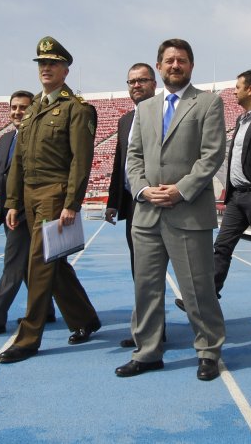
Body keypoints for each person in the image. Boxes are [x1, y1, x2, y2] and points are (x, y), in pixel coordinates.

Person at [115, 38, 227, 381]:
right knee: (146, 288)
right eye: (168, 60)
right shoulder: (145, 108)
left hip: (188, 212)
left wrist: (181, 190)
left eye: (181, 60)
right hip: (147, 214)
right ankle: (147, 351)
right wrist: (143, 189)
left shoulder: (208, 103)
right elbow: (132, 157)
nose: (175, 65)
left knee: (197, 288)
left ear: (191, 66)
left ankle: (208, 350)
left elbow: (212, 155)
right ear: (159, 66)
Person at [0, 36, 102, 364]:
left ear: (65, 70)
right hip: (28, 196)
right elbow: (19, 161)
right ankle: (85, 318)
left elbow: (80, 161)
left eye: (52, 63)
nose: (46, 68)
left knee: (40, 265)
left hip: (55, 194)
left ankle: (29, 337)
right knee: (54, 264)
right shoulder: (33, 111)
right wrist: (12, 202)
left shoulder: (77, 109)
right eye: (42, 63)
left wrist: (72, 202)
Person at [174, 69, 251, 326]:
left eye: (238, 86)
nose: (233, 91)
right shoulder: (241, 120)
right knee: (221, 247)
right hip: (237, 197)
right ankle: (207, 296)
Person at [0, 90, 56, 338]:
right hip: (9, 211)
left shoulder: (37, 137)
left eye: (23, 107)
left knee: (13, 265)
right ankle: (46, 309)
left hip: (29, 210)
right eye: (14, 107)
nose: (18, 112)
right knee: (31, 266)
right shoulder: (5, 139)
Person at [105, 63, 157, 348]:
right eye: (131, 81)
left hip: (160, 202)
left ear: (154, 83)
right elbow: (119, 164)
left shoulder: (165, 112)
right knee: (140, 270)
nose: (136, 85)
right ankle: (146, 330)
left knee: (157, 270)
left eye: (142, 80)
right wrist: (114, 202)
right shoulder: (125, 120)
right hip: (134, 205)